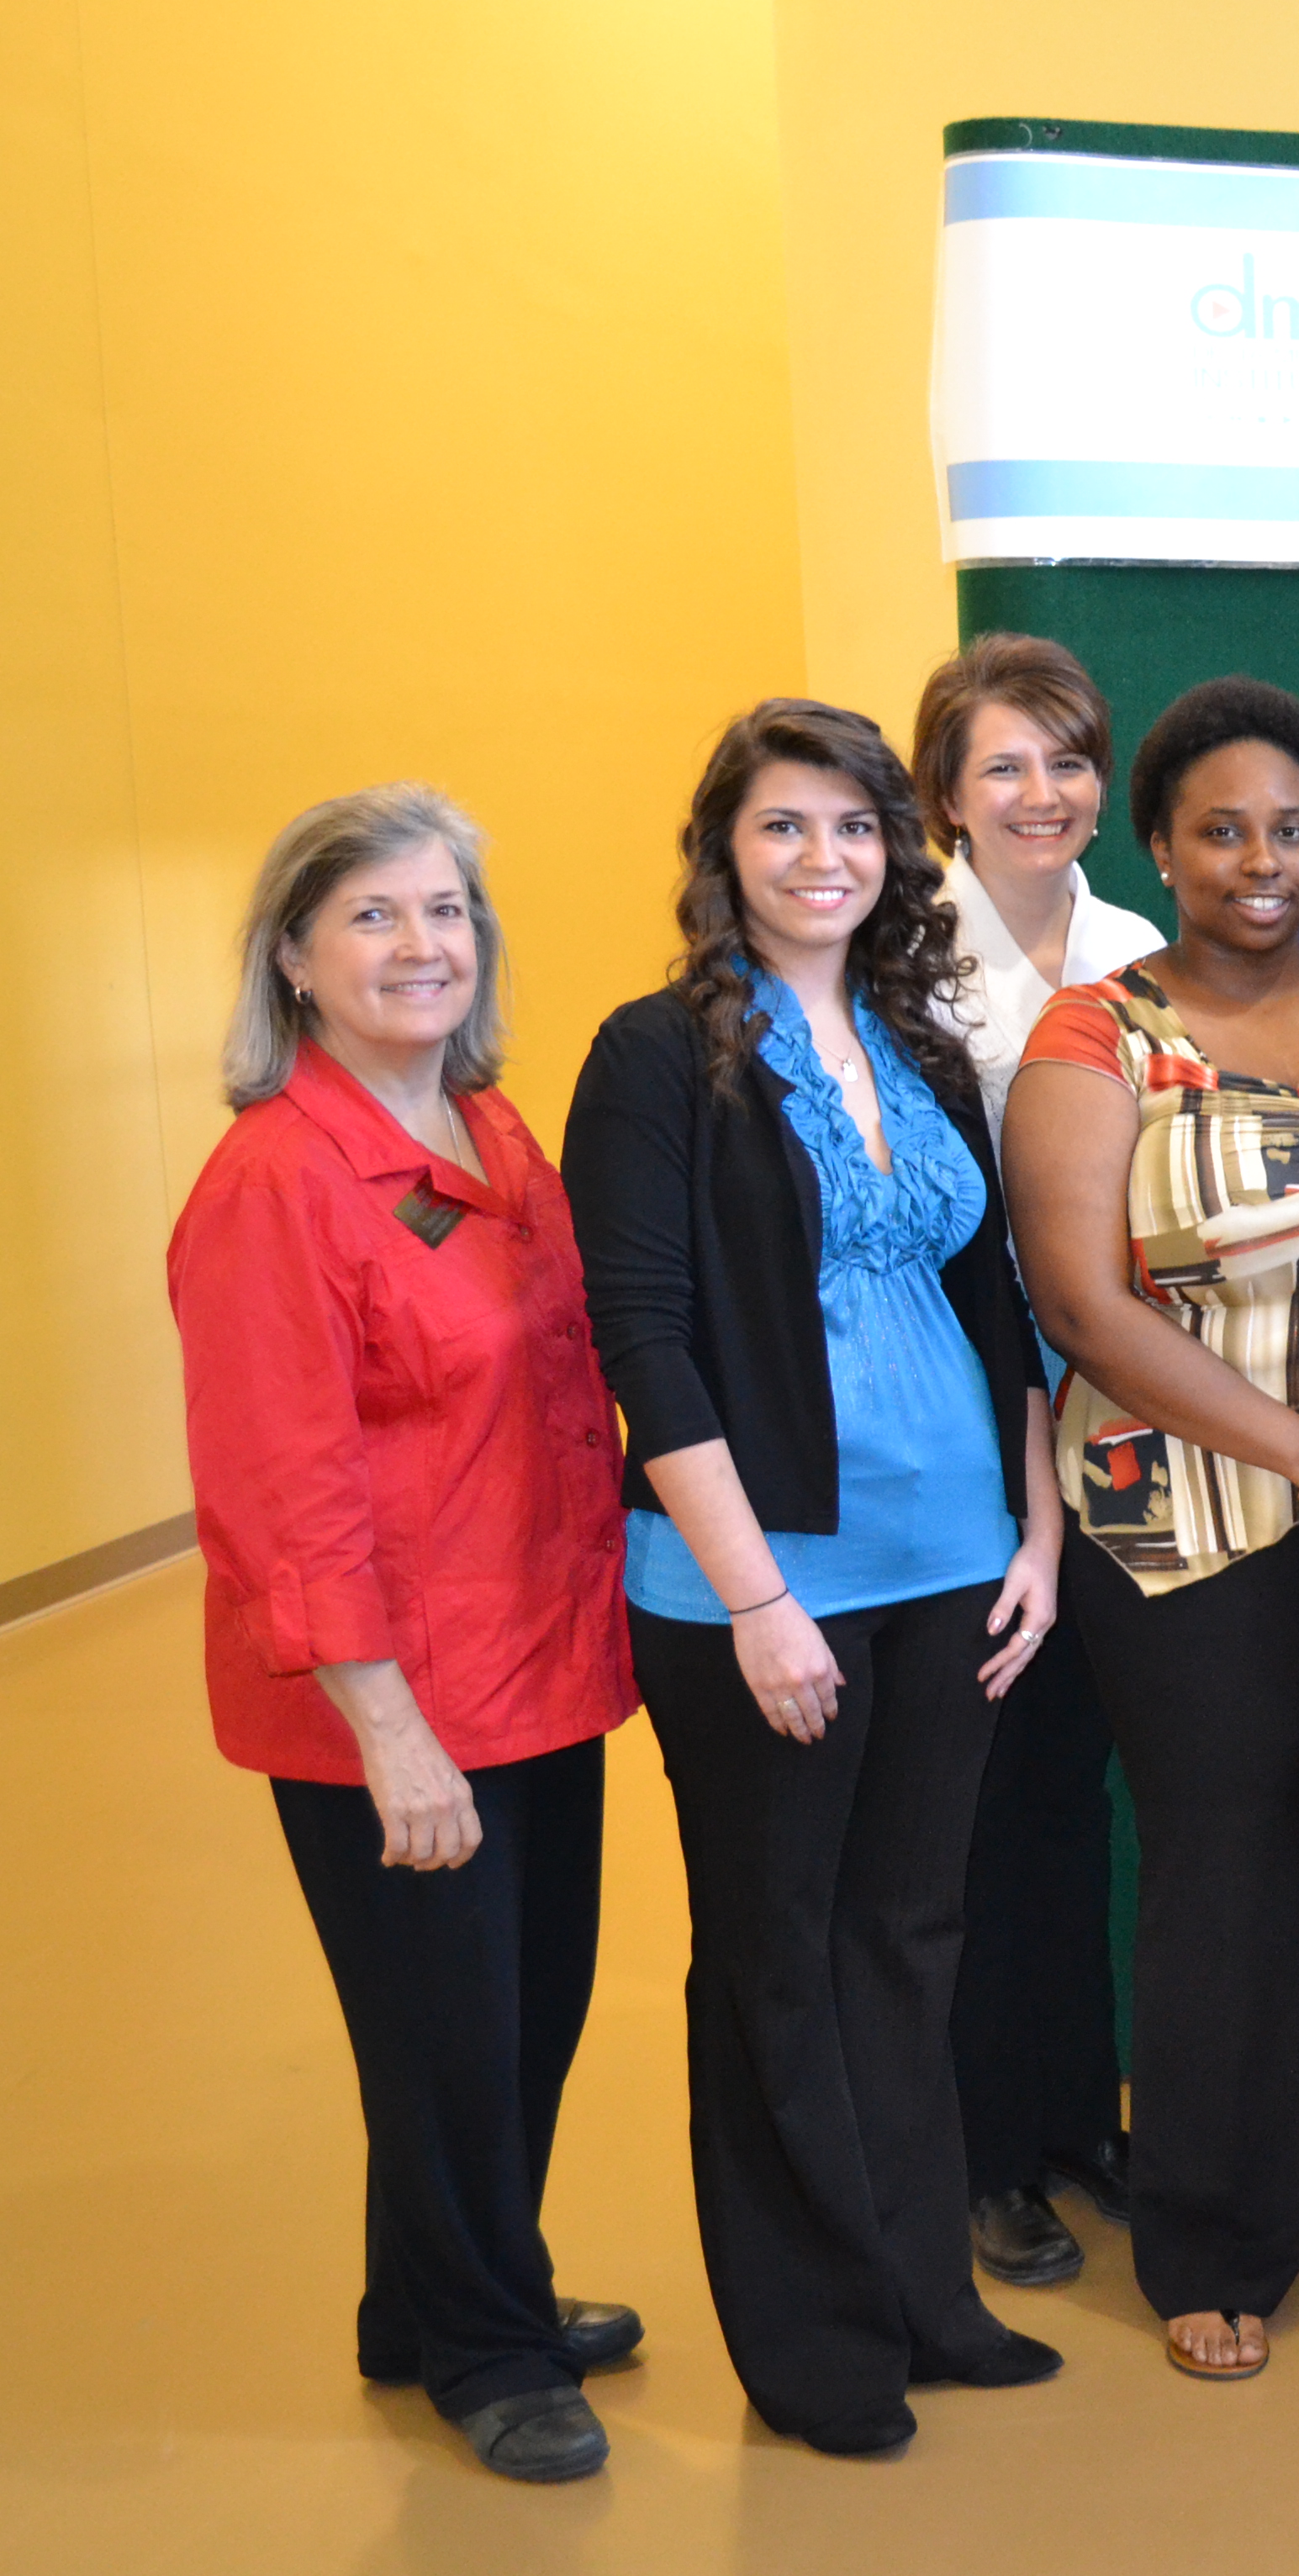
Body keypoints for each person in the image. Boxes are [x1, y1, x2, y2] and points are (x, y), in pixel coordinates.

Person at [568, 699, 1066, 2457]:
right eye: (783, 828)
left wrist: (1039, 1539)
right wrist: (758, 1597)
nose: (822, 859)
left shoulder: (926, 1050)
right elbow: (642, 1333)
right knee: (777, 1953)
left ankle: (931, 2293)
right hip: (753, 1583)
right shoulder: (656, 1056)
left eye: (853, 828)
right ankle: (813, 2341)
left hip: (952, 1559)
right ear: (723, 853)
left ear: (894, 851)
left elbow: (999, 1304)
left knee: (909, 1940)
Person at [1004, 676, 1299, 2378]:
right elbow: (1080, 1300)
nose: (1261, 860)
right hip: (1182, 1523)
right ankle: (1214, 2235)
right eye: (1221, 830)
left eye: (1290, 828)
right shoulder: (1092, 1036)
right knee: (1218, 1868)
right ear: (1162, 846)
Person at [168, 787, 641, 2485]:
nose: (419, 945)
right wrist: (386, 1728)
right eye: (371, 916)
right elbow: (281, 1486)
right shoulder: (275, 1181)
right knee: (448, 2036)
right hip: (394, 1699)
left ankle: (423, 2298)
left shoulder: (491, 1135)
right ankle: (486, 2345)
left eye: (444, 913)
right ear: (292, 956)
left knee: (521, 2013)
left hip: (536, 1658)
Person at [908, 633, 1162, 2288]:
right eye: (1005, 765)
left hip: (1128, 1408)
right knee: (982, 1801)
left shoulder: (1143, 945)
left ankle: (1078, 2113)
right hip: (972, 1421)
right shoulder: (900, 961)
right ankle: (986, 2151)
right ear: (944, 794)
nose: (1042, 793)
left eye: (1067, 761)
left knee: (1077, 1785)